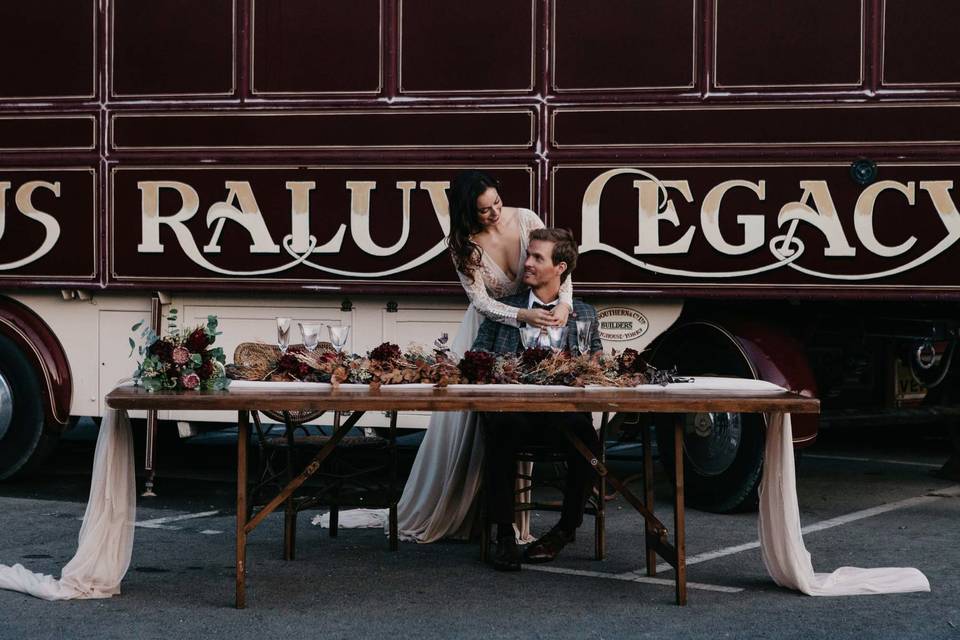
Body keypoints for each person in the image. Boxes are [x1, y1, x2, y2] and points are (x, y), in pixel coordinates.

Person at [335, 170, 573, 542]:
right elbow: (480, 301)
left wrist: (566, 303)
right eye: (484, 210)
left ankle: (505, 521)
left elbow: (561, 260)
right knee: (473, 429)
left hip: (529, 326)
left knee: (517, 417)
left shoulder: (526, 219)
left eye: (496, 202)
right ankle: (469, 513)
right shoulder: (463, 244)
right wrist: (520, 314)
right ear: (466, 212)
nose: (495, 212)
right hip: (486, 330)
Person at [471, 227, 603, 571]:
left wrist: (586, 368)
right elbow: (477, 358)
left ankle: (564, 530)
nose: (526, 263)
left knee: (586, 438)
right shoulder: (505, 309)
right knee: (501, 427)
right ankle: (504, 535)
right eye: (528, 255)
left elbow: (597, 364)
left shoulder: (584, 313)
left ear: (560, 268)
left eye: (536, 258)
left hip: (562, 415)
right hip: (516, 411)